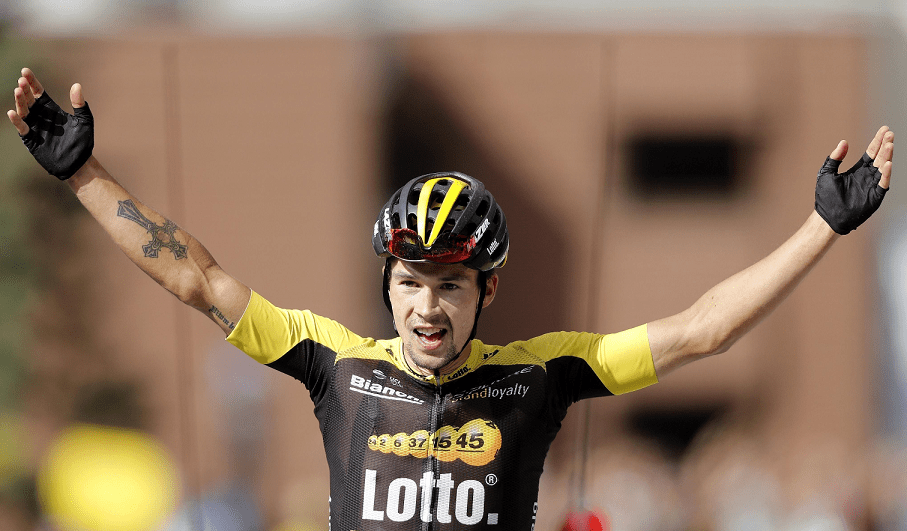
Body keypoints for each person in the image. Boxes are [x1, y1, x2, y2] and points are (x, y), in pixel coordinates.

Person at [7, 67, 894, 530]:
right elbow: (194, 277)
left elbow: (704, 331)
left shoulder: (544, 373)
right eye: (408, 283)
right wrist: (83, 173)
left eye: (449, 286)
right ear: (385, 286)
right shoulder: (333, 361)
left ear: (486, 290)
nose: (426, 308)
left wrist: (822, 227)